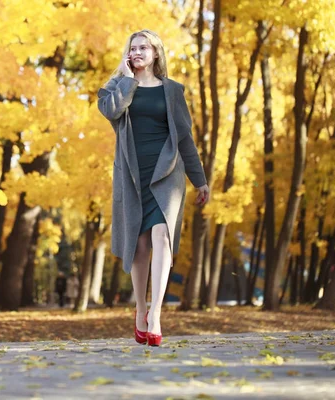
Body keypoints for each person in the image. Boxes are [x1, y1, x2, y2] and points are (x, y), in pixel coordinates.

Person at [97, 30, 210, 346]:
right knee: (139, 243)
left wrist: (199, 180)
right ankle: (141, 309)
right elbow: (111, 111)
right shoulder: (114, 88)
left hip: (167, 172)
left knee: (162, 235)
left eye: (143, 47)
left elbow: (185, 138)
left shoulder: (172, 91)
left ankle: (156, 314)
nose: (137, 52)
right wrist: (127, 79)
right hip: (132, 174)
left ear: (156, 52)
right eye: (132, 48)